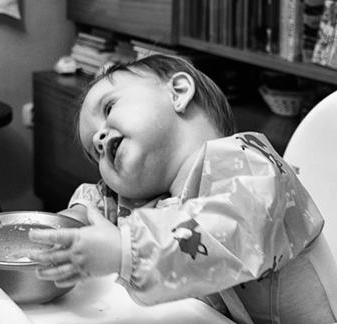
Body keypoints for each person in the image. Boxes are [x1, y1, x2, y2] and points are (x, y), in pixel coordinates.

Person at [29, 55, 337, 324]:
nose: (99, 139)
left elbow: (228, 230)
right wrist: (77, 218)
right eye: (95, 153)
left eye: (109, 108)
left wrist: (124, 250)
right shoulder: (154, 198)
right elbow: (100, 200)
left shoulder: (251, 166)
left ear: (178, 92)